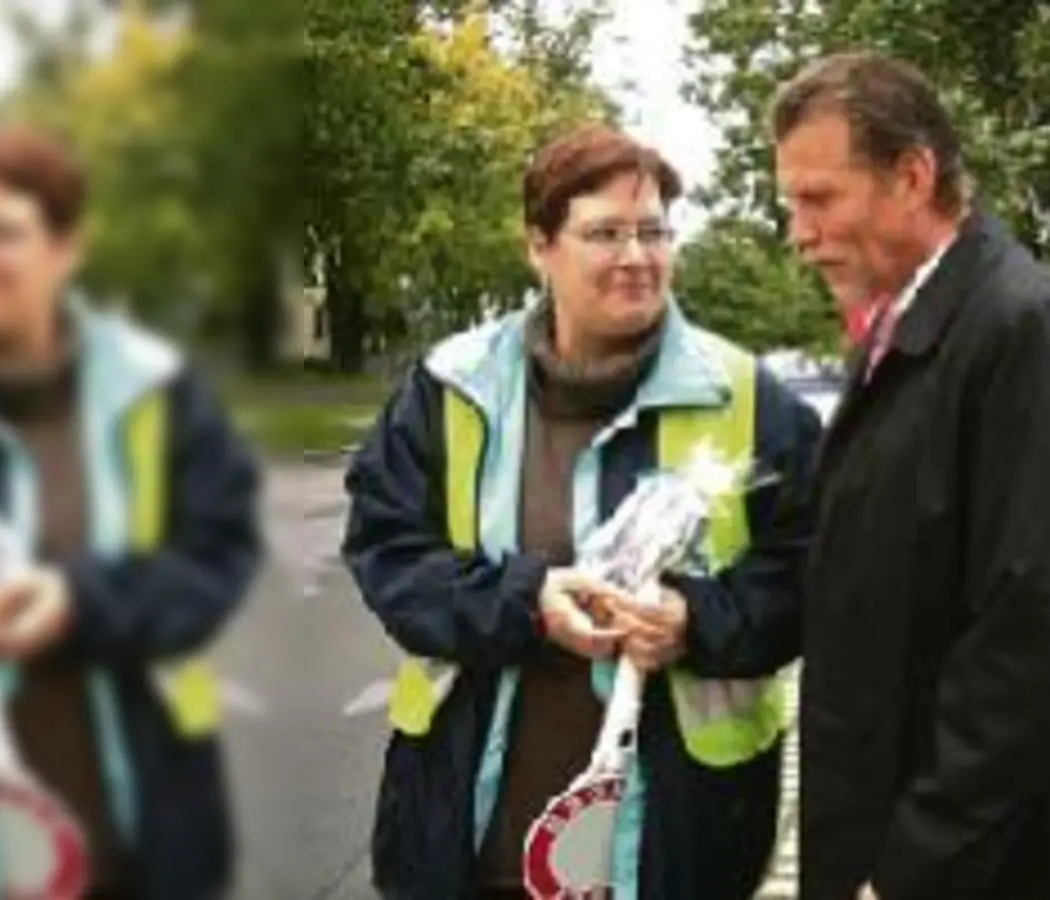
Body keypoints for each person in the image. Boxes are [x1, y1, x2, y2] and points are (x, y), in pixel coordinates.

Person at [341, 125, 820, 900]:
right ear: (540, 247)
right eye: (604, 233)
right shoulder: (450, 387)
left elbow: (813, 573)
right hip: (471, 835)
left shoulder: (749, 398)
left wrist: (697, 619)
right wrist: (528, 603)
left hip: (677, 845)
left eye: (654, 232)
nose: (637, 257)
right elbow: (388, 555)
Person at [772, 53, 1050, 899]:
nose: (798, 233)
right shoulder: (905, 333)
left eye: (818, 198)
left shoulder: (1026, 331)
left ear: (912, 176)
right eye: (791, 203)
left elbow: (1027, 643)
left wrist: (911, 871)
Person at [0, 127, 262, 899]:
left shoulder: (152, 389)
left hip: (140, 834)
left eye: (2, 233)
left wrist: (78, 601)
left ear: (65, 249)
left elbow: (217, 557)